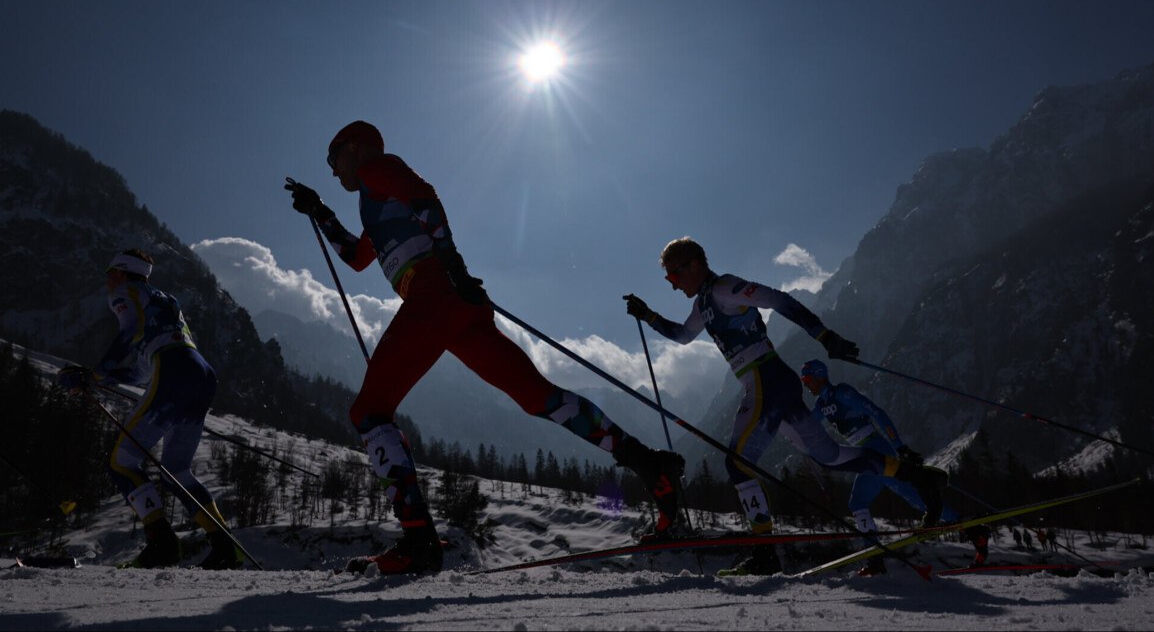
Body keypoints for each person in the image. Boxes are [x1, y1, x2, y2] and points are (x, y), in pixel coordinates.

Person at [285, 121, 686, 575]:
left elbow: (426, 197)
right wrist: (320, 212)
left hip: (434, 295)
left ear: (354, 148)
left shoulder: (377, 169)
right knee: (541, 398)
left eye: (332, 157)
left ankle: (418, 541)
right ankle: (650, 465)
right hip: (455, 307)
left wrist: (452, 263)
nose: (333, 170)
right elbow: (357, 259)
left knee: (369, 412)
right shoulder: (373, 204)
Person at [624, 237, 948, 576]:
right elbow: (682, 335)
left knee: (737, 465)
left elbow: (778, 300)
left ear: (692, 264)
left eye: (674, 277)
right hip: (772, 382)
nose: (674, 286)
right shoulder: (704, 301)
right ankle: (920, 479)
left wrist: (824, 336)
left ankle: (764, 556)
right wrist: (648, 315)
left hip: (767, 382)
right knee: (832, 457)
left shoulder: (725, 287)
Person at [56, 249, 242, 569]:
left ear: (122, 272)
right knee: (177, 471)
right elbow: (141, 373)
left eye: (108, 271)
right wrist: (98, 379)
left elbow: (127, 334)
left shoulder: (125, 292)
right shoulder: (163, 303)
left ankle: (163, 545)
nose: (106, 280)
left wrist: (93, 375)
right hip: (199, 373)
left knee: (122, 461)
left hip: (173, 371)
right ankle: (226, 547)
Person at [799, 358, 985, 575]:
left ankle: (875, 561)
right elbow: (806, 427)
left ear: (821, 376)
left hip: (876, 450)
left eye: (808, 379)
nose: (806, 384)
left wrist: (900, 446)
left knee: (859, 502)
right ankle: (974, 531)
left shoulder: (842, 393)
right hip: (866, 453)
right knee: (911, 496)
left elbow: (877, 413)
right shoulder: (821, 405)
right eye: (803, 380)